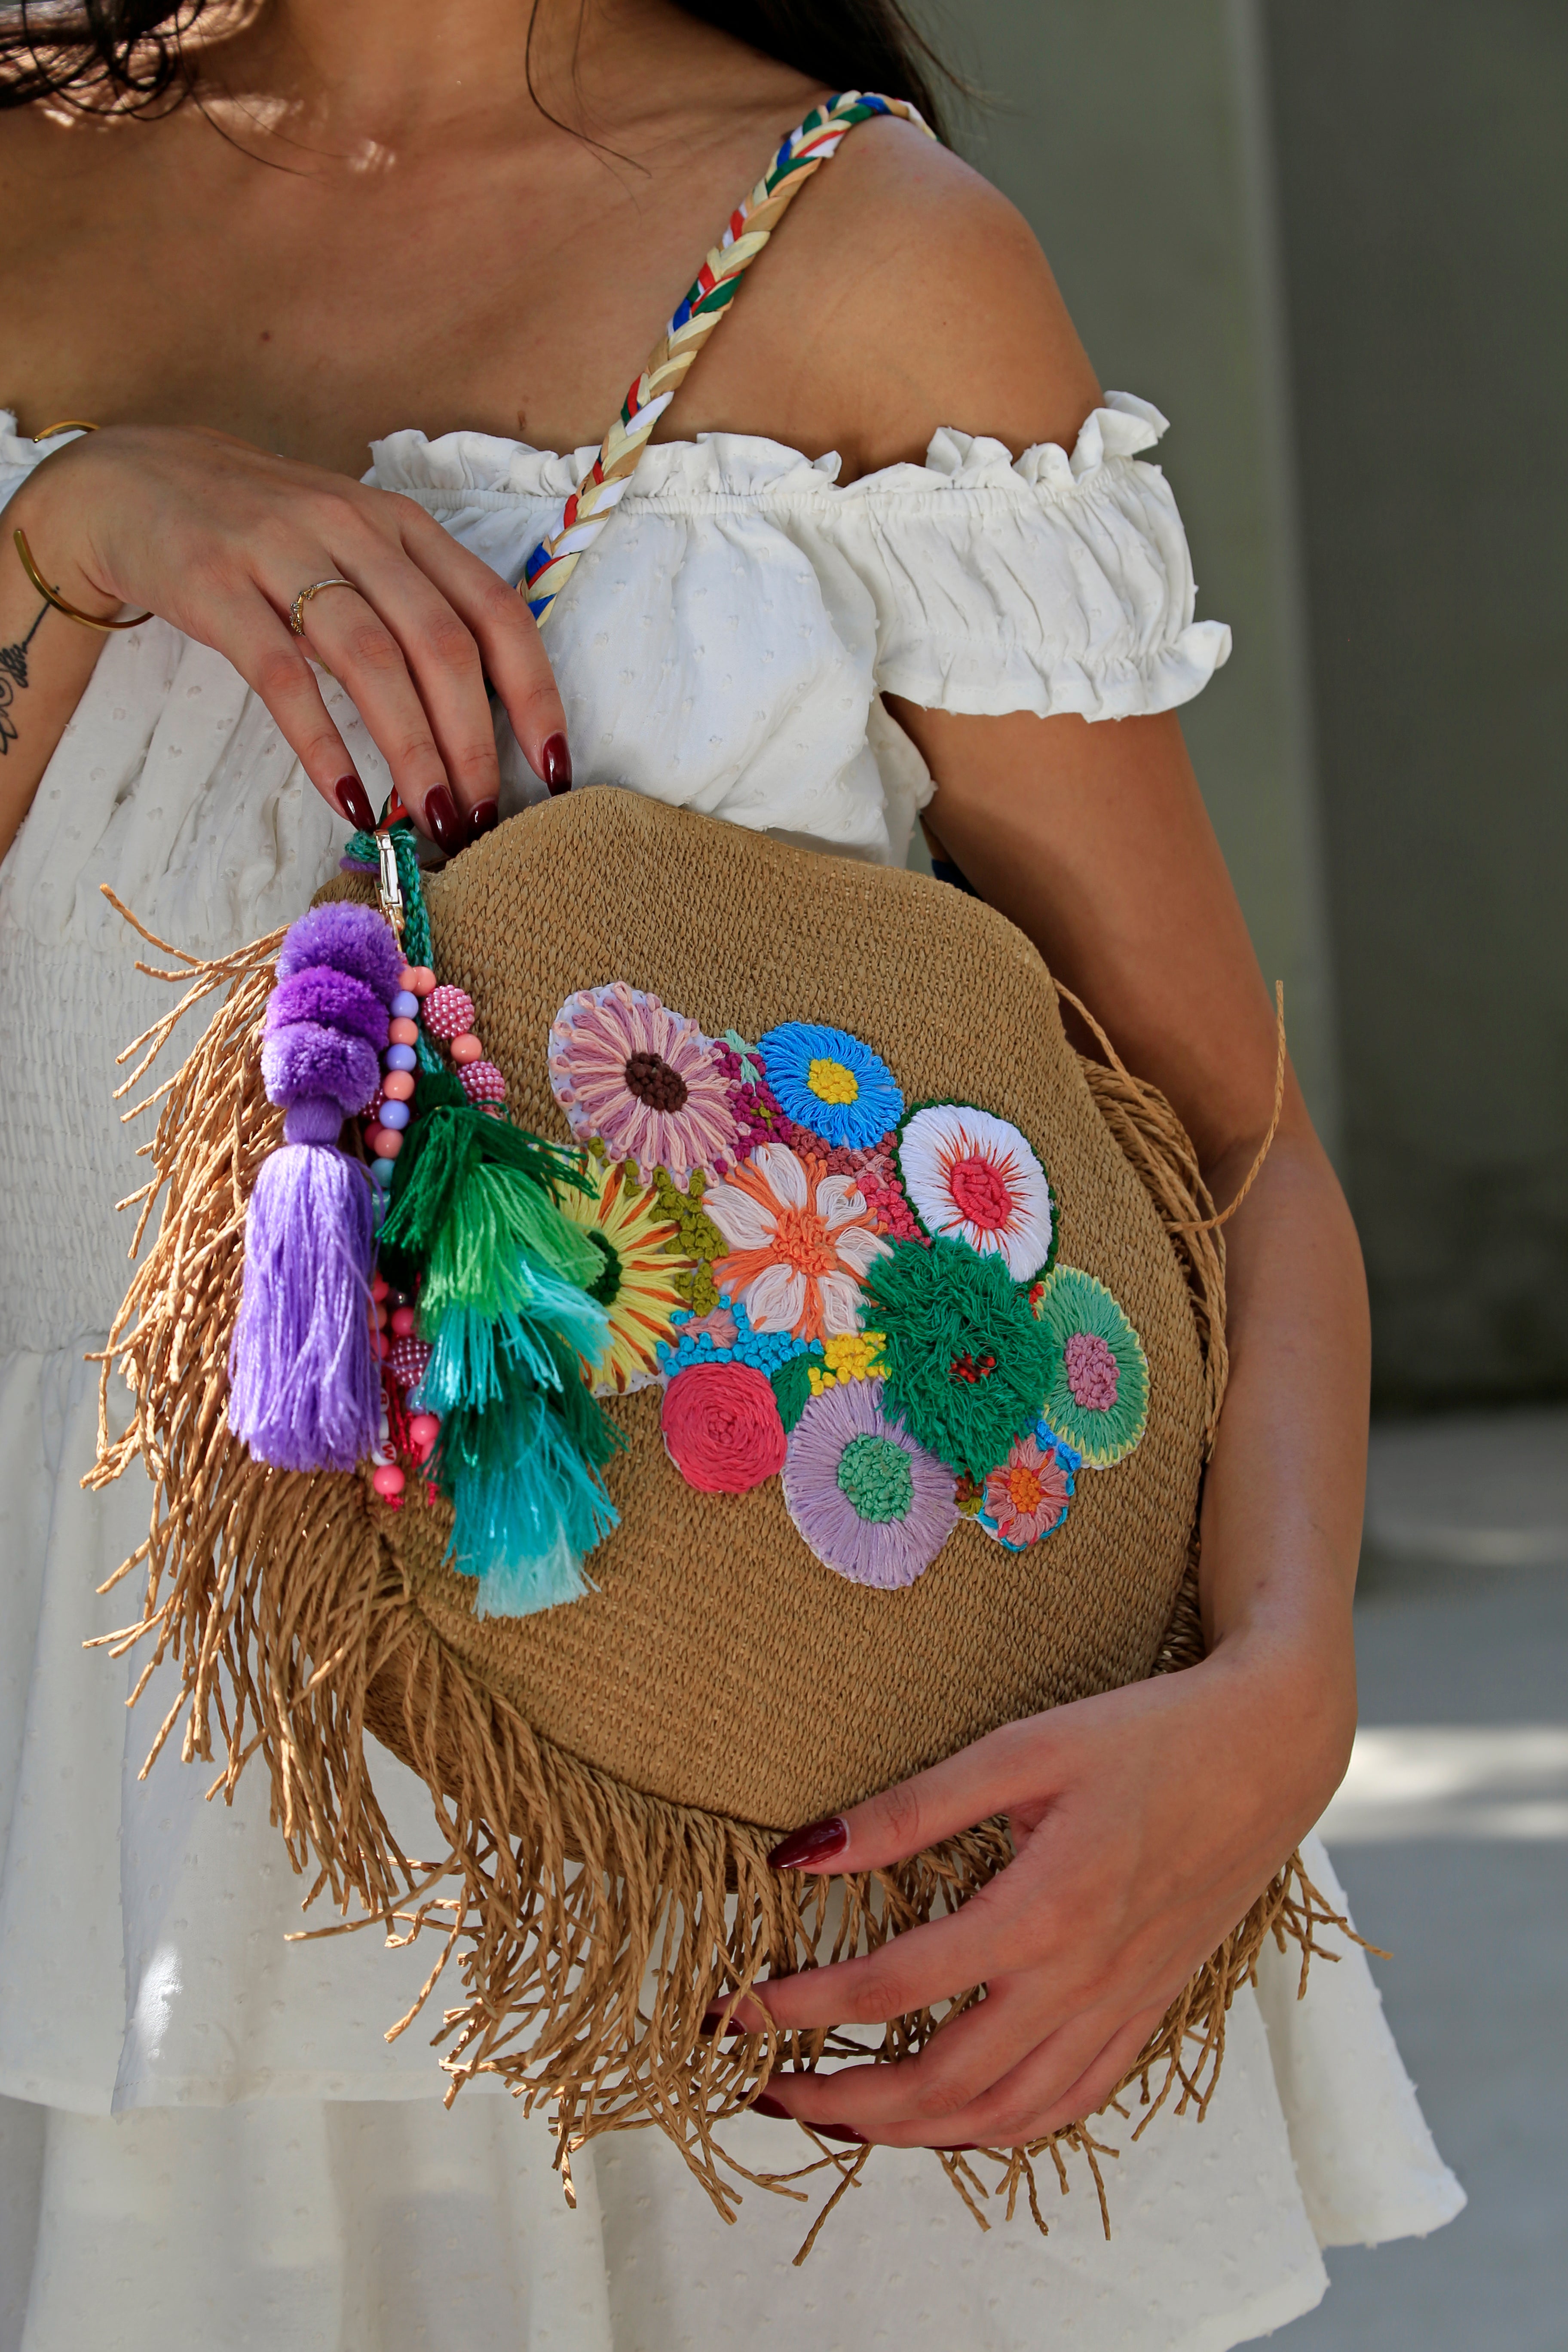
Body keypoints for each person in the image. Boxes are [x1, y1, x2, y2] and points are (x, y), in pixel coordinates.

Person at [0, 3, 1462, 2346]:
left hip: (724, 1870)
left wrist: (1284, 1695)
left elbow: (1222, 1133)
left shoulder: (869, 257)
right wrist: (75, 532)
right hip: (84, 1825)